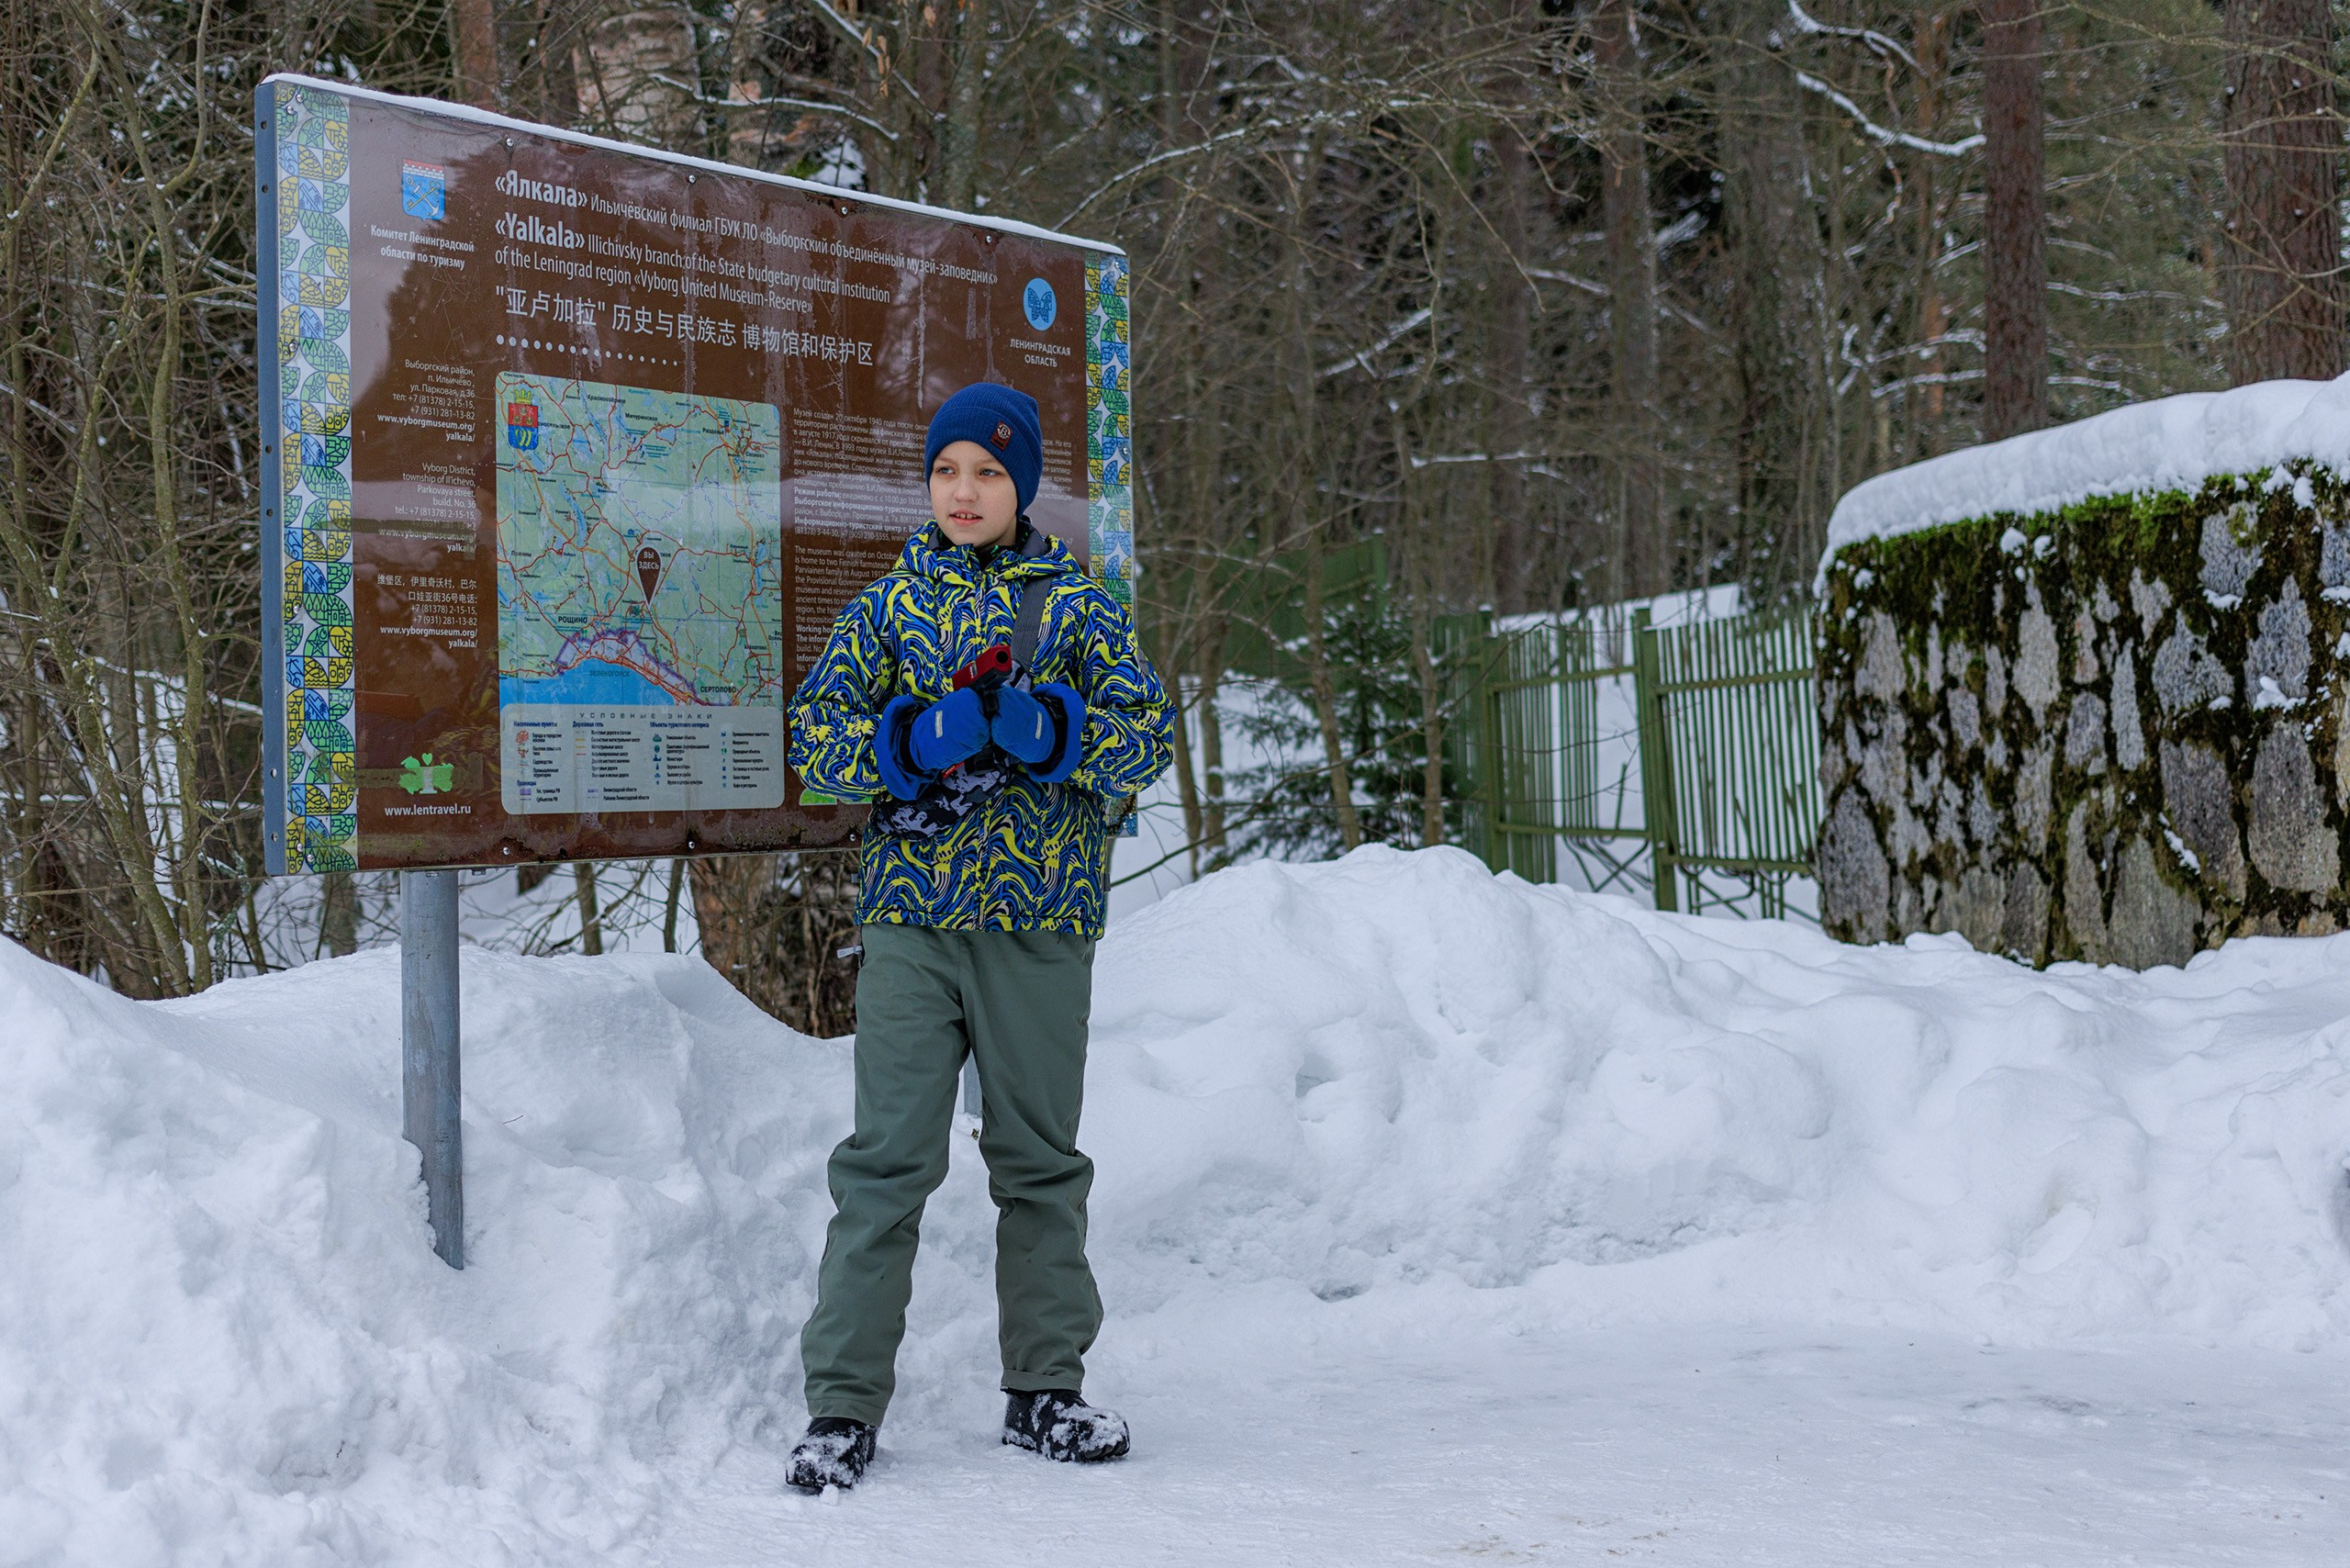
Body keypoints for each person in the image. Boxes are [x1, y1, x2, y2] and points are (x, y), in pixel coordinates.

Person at [780, 380, 1174, 1491]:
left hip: (1041, 925)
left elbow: (1145, 736)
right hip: (912, 923)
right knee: (884, 1164)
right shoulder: (888, 608)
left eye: (990, 472)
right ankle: (843, 1408)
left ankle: (1044, 1390)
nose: (965, 490)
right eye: (949, 469)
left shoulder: (1078, 606)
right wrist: (911, 737)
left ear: (1024, 486)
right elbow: (819, 738)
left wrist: (1054, 730)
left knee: (1040, 1165)